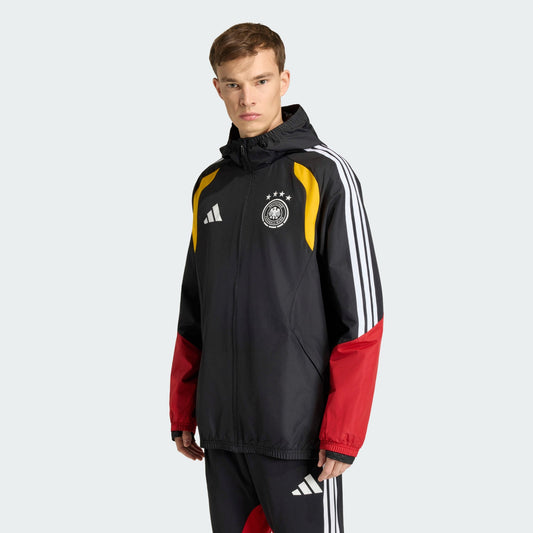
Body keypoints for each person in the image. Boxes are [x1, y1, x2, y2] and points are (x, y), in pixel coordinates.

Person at [169, 22, 384, 533]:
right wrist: (184, 410)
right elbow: (193, 311)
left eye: (260, 81)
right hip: (223, 435)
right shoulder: (209, 186)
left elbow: (362, 316)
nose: (247, 98)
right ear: (217, 87)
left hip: (298, 436)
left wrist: (343, 432)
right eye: (233, 84)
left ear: (284, 81)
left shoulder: (323, 174)